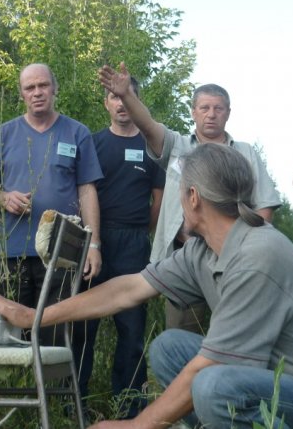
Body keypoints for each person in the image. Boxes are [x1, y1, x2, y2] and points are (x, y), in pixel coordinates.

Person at [0, 143, 293, 429]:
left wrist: (139, 424)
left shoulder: (258, 253)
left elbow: (213, 365)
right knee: (169, 348)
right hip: (286, 384)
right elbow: (127, 290)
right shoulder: (203, 250)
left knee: (213, 383)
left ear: (192, 197)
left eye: (178, 192)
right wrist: (34, 316)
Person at [97, 63, 280, 333]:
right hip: (186, 257)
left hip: (236, 259)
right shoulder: (177, 146)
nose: (211, 114)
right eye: (204, 108)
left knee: (239, 331)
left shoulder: (246, 153)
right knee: (181, 335)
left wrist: (246, 248)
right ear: (193, 112)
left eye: (218, 108)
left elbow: (264, 207)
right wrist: (127, 96)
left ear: (228, 113)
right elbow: (147, 126)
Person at [0, 63, 102, 324]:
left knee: (55, 335)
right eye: (29, 88)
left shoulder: (77, 133)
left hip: (62, 253)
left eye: (43, 85)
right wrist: (4, 198)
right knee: (7, 333)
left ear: (55, 88)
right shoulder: (3, 134)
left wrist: (94, 245)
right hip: (11, 253)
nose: (37, 92)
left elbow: (87, 190)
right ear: (22, 94)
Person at [75, 78, 165, 418]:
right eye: (114, 97)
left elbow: (158, 199)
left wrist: (143, 232)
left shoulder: (152, 147)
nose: (121, 103)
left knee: (132, 328)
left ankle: (129, 408)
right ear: (106, 103)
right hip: (93, 241)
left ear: (136, 102)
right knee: (84, 323)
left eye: (127, 97)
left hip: (134, 242)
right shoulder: (92, 144)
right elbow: (83, 192)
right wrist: (92, 238)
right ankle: (75, 400)